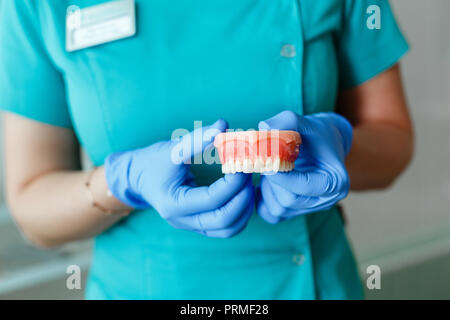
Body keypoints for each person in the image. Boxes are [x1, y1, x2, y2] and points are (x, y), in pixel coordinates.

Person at [0, 0, 413, 299]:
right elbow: (33, 210)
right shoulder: (33, 6)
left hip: (313, 284)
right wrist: (120, 182)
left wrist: (337, 145)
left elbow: (393, 141)